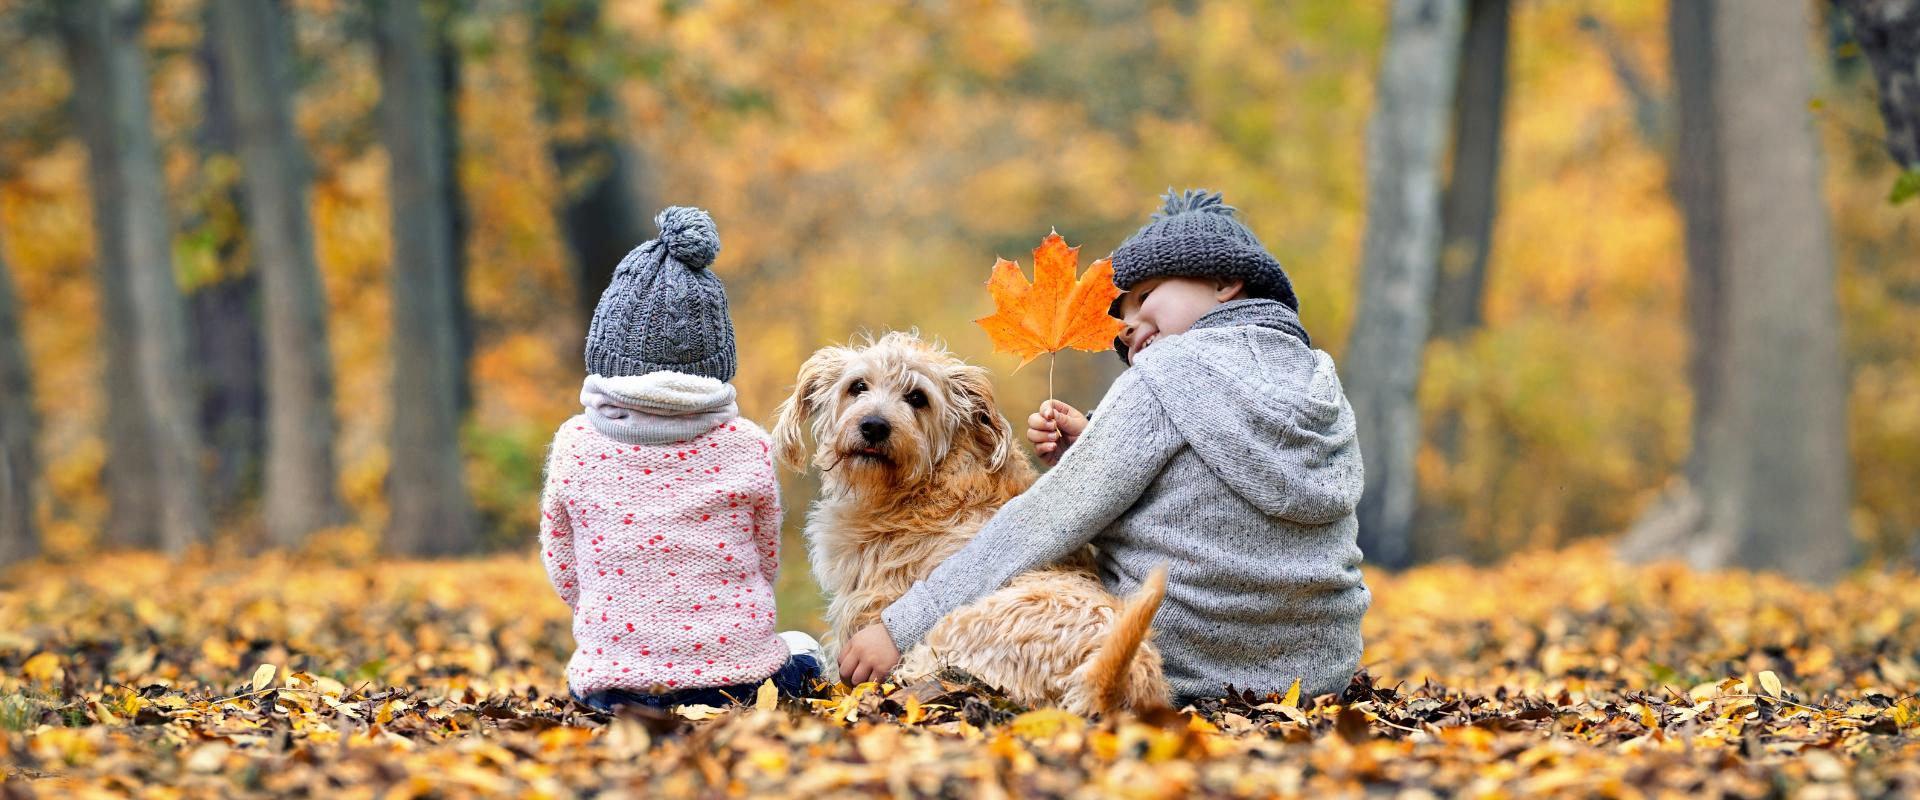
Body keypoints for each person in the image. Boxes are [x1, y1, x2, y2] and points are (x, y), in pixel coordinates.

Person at [838, 189, 1371, 706]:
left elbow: (1047, 520)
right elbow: (1218, 486)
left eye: (1141, 299)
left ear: (1226, 280)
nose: (1129, 327)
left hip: (1175, 664)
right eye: (1122, 317)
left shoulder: (1168, 370)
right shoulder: (1319, 379)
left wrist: (901, 626)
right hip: (1319, 669)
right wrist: (1091, 445)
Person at [539, 206, 820, 711]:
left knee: (596, 674)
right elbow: (765, 558)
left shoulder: (575, 443)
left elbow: (563, 564)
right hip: (737, 682)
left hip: (611, 687)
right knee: (806, 652)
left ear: (606, 348)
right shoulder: (746, 443)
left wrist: (624, 617)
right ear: (717, 358)